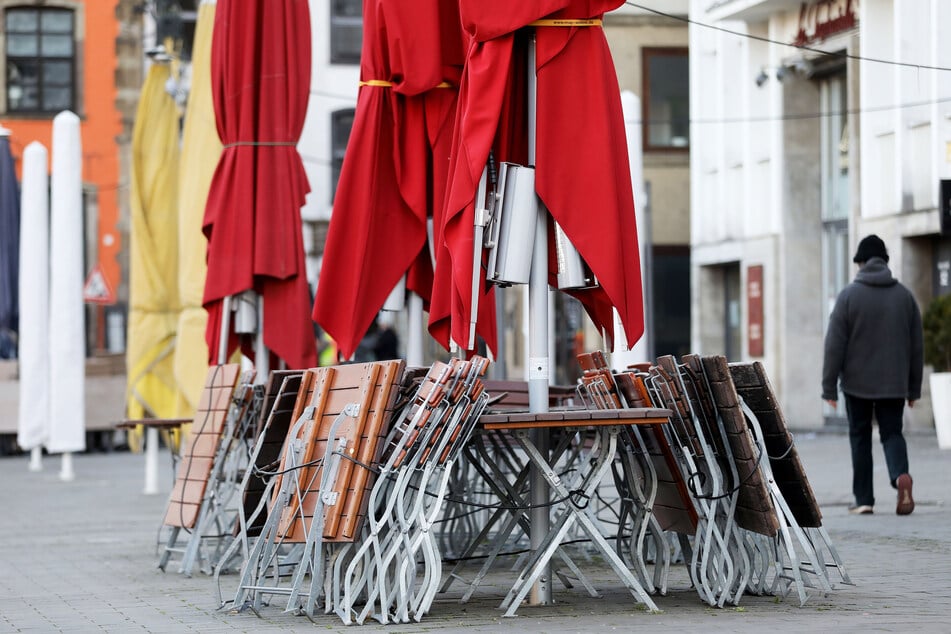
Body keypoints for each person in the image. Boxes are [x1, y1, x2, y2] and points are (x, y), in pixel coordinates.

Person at [822, 234, 922, 516]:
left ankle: (864, 499)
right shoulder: (905, 297)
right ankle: (900, 475)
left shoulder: (848, 296)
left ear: (861, 262)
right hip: (894, 383)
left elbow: (834, 346)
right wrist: (913, 389)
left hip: (857, 384)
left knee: (860, 437)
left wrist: (828, 388)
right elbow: (917, 347)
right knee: (892, 433)